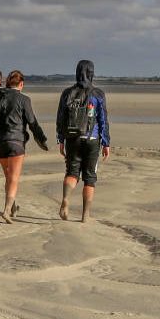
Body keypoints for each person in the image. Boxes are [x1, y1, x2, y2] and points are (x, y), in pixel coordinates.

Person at [0, 70, 46, 223]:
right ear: (21, 84)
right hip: (16, 142)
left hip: (0, 143)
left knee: (9, 177)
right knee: (14, 178)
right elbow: (32, 122)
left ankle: (13, 206)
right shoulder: (24, 100)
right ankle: (6, 210)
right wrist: (41, 139)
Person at [55, 59, 110, 223]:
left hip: (73, 138)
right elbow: (103, 120)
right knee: (90, 178)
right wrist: (106, 142)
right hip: (92, 139)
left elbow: (61, 118)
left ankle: (65, 199)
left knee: (72, 173)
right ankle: (85, 215)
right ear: (92, 73)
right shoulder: (98, 94)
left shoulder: (67, 93)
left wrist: (61, 139)